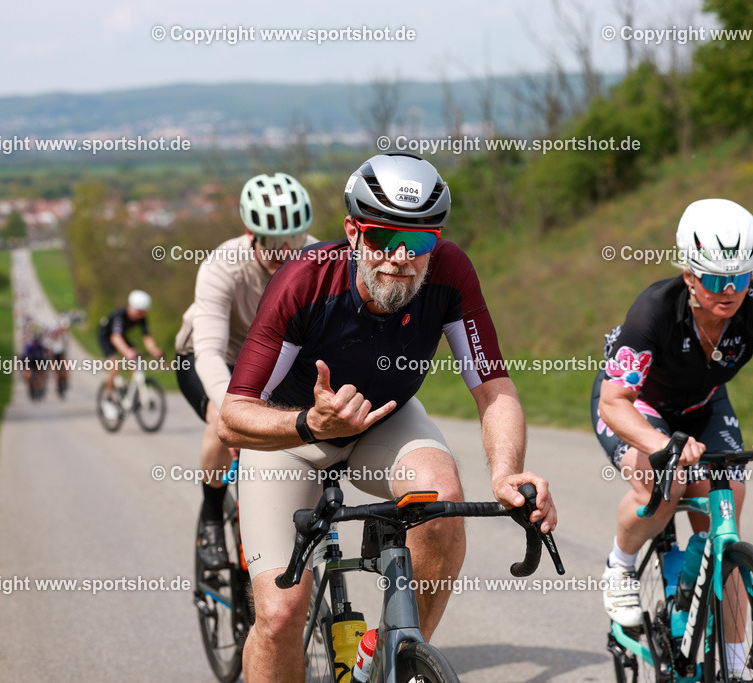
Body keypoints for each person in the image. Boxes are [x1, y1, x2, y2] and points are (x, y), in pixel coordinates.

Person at [217, 152, 558, 683]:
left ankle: (390, 659)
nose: (399, 256)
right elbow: (232, 417)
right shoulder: (303, 282)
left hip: (385, 420)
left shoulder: (450, 273)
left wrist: (507, 472)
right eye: (381, 238)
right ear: (352, 232)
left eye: (419, 241)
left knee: (441, 504)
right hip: (292, 436)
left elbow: (493, 387)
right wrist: (309, 423)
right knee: (281, 614)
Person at [592, 198, 753, 674]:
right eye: (713, 279)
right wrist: (661, 445)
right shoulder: (655, 309)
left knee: (725, 511)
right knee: (661, 483)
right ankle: (620, 567)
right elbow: (614, 402)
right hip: (635, 403)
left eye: (740, 278)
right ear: (689, 273)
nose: (728, 290)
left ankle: (729, 659)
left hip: (703, 405)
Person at [175, 172, 317, 570]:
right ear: (250, 234)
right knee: (223, 422)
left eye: (294, 243)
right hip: (210, 358)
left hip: (272, 362)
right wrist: (238, 414)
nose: (285, 255)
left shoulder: (318, 258)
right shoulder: (223, 266)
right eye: (274, 247)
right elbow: (207, 352)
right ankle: (210, 513)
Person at [97, 289, 163, 419]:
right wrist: (127, 352)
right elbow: (115, 337)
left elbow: (147, 336)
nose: (140, 315)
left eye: (143, 312)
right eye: (138, 312)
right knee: (115, 365)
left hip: (121, 336)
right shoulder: (119, 316)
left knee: (137, 358)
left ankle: (128, 388)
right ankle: (108, 399)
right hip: (107, 337)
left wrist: (153, 349)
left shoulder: (142, 317)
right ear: (130, 307)